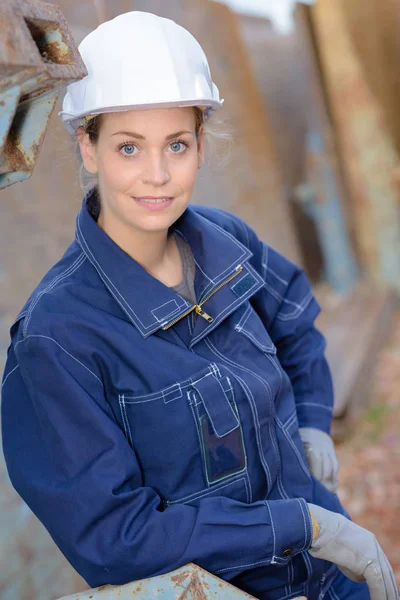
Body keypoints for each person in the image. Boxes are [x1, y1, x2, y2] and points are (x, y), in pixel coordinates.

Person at [1, 11, 398, 600]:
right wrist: (302, 526)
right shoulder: (57, 341)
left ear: (201, 144)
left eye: (176, 145)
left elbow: (293, 320)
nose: (157, 176)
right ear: (87, 146)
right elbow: (117, 537)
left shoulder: (223, 240)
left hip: (329, 574)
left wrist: (313, 421)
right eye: (128, 147)